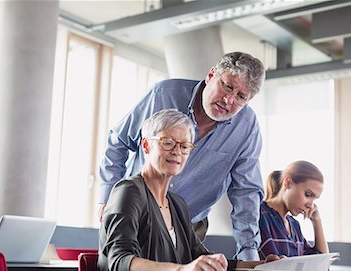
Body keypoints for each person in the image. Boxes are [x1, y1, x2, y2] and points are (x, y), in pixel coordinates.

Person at [99, 52, 266, 260]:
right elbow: (118, 142)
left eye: (241, 97)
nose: (228, 100)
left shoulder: (246, 127)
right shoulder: (164, 94)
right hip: (136, 212)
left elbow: (246, 192)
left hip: (189, 226)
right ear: (211, 75)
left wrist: (249, 256)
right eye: (227, 86)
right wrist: (108, 198)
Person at [99, 110, 279, 271]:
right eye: (168, 143)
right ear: (146, 145)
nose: (177, 152)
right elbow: (119, 261)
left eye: (185, 146)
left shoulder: (177, 204)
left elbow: (200, 257)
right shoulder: (128, 191)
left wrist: (259, 266)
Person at [258, 161, 329, 259]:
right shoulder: (260, 215)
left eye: (314, 199)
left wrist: (317, 221)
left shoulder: (294, 225)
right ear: (287, 183)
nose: (310, 205)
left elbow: (321, 262)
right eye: (308, 195)